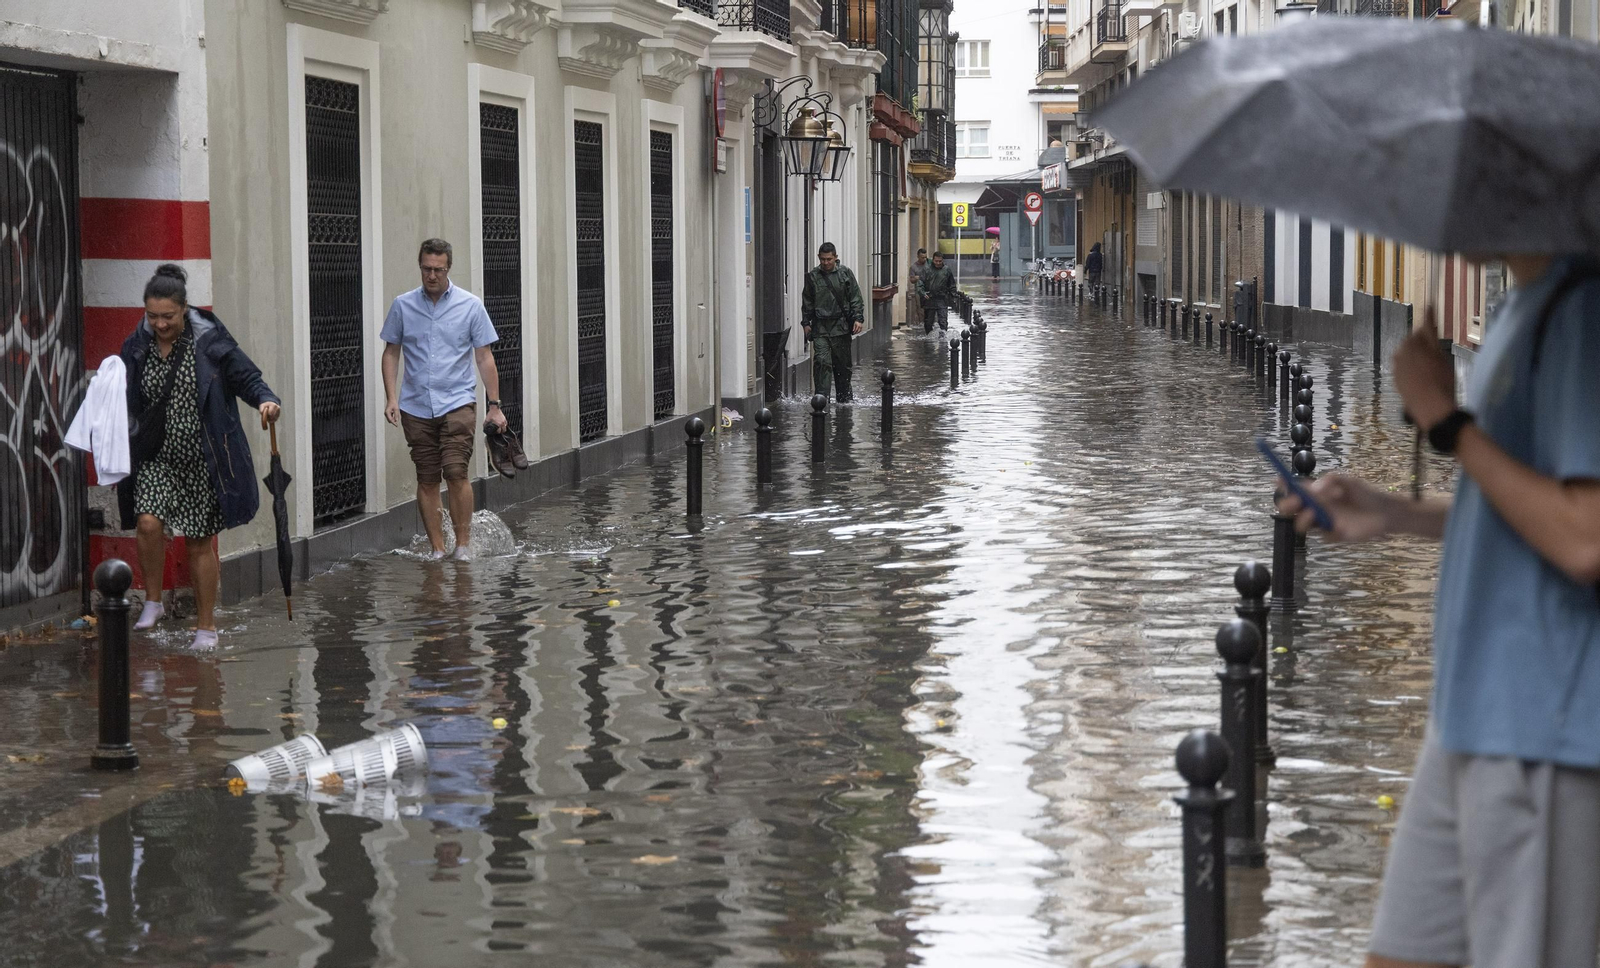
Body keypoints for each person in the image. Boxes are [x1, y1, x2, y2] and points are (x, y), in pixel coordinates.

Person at [1279, 254, 1600, 968]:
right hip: (1467, 719)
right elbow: (1520, 513)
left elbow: (1584, 537)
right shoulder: (1522, 308)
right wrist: (1392, 512)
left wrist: (1446, 420)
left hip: (1542, 729)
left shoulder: (1583, 312)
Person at [119, 264, 281, 649]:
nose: (159, 324)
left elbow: (246, 377)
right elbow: (118, 391)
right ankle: (154, 601)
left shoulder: (208, 338)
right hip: (156, 456)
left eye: (168, 316)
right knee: (147, 523)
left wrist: (266, 400)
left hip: (203, 457)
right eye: (152, 315)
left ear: (184, 308)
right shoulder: (136, 344)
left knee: (197, 541)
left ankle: (206, 627)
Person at [381, 239, 506, 561]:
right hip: (415, 404)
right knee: (426, 476)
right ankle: (438, 549)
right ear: (420, 266)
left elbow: (484, 357)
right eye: (426, 269)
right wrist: (391, 397)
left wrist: (494, 406)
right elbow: (391, 352)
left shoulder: (470, 305)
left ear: (448, 268)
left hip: (457, 401)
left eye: (438, 269)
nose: (432, 275)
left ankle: (462, 546)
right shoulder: (403, 305)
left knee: (455, 471)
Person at [801, 242, 865, 402]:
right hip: (820, 328)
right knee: (822, 362)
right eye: (822, 259)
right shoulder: (813, 276)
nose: (826, 263)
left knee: (842, 367)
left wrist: (858, 318)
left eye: (829, 259)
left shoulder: (845, 274)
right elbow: (807, 301)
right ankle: (822, 400)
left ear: (835, 258)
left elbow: (855, 297)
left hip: (841, 327)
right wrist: (806, 323)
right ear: (818, 258)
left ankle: (844, 400)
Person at [918, 251, 957, 334]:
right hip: (929, 299)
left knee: (943, 321)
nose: (938, 263)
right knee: (928, 322)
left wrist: (953, 296)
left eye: (940, 261)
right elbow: (920, 283)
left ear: (942, 260)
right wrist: (923, 293)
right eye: (936, 261)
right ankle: (929, 337)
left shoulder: (947, 270)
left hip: (942, 298)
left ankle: (943, 337)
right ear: (933, 260)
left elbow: (952, 284)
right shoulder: (926, 270)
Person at [908, 248, 930, 331]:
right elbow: (911, 280)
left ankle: (928, 323)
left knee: (929, 308)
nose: (924, 259)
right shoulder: (913, 267)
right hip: (919, 291)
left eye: (925, 257)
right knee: (920, 309)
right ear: (918, 256)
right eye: (922, 257)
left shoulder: (929, 264)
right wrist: (915, 279)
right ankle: (922, 324)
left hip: (929, 289)